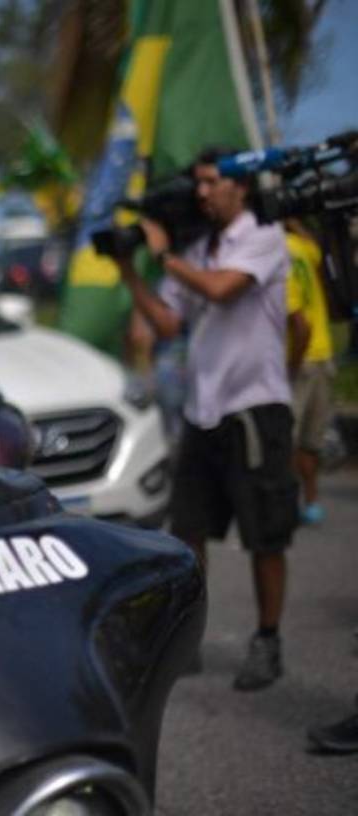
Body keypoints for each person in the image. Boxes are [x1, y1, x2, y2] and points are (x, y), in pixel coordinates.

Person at [117, 146, 298, 692]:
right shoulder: (201, 247)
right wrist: (129, 271)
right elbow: (170, 323)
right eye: (197, 183)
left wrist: (166, 255)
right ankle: (187, 638)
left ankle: (268, 639)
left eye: (212, 182)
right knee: (188, 531)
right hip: (204, 411)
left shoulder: (264, 238)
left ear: (241, 187)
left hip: (255, 408)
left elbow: (222, 289)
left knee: (265, 536)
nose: (202, 192)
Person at [284, 219, 335, 525]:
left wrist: (289, 366)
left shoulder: (276, 253)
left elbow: (299, 324)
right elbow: (317, 247)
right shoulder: (303, 247)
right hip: (324, 353)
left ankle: (287, 504)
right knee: (310, 440)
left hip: (299, 357)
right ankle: (311, 501)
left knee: (286, 438)